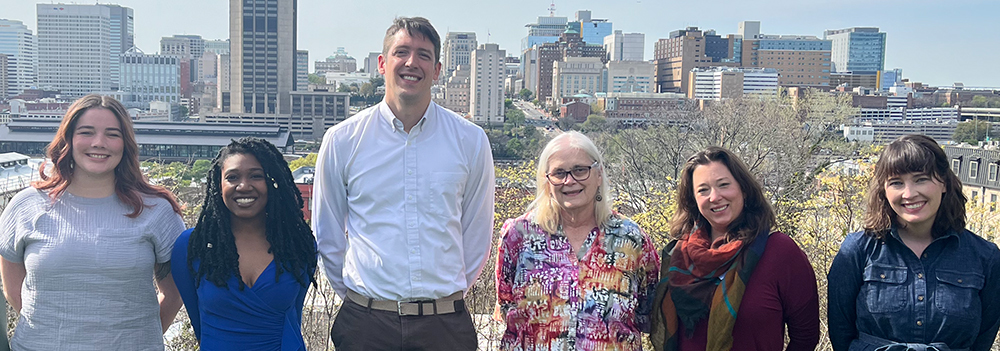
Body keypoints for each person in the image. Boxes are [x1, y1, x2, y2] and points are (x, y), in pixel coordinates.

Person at [312, 16, 495, 350]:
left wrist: (440, 300)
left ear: (437, 69)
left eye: (424, 55)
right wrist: (363, 301)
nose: (412, 63)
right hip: (367, 325)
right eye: (402, 52)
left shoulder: (471, 141)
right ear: (382, 63)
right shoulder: (342, 140)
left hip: (445, 327)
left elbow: (477, 236)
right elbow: (328, 235)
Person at [0, 94, 185, 350]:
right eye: (87, 132)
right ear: (68, 139)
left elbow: (174, 293)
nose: (99, 143)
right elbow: (13, 290)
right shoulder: (26, 205)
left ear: (125, 143)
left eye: (112, 134)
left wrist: (138, 339)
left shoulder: (157, 210)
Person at [828, 134, 1000, 351]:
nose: (909, 194)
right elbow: (841, 332)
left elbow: (983, 338)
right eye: (896, 183)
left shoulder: (985, 257)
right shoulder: (857, 251)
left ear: (944, 183)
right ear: (884, 190)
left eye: (921, 179)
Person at [495, 131, 660, 350]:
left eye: (580, 170)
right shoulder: (518, 235)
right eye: (559, 173)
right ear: (546, 181)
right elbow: (506, 305)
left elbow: (647, 312)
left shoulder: (630, 239)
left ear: (599, 174)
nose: (569, 181)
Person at [650, 146, 819, 351]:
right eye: (703, 190)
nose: (714, 197)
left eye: (723, 185)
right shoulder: (680, 256)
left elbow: (805, 336)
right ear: (693, 200)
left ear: (744, 189)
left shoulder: (779, 252)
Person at [171, 137, 317, 350]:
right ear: (218, 185)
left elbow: (293, 317)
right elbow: (198, 325)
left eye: (256, 176)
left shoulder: (298, 245)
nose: (244, 186)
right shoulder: (191, 246)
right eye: (232, 177)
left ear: (272, 182)